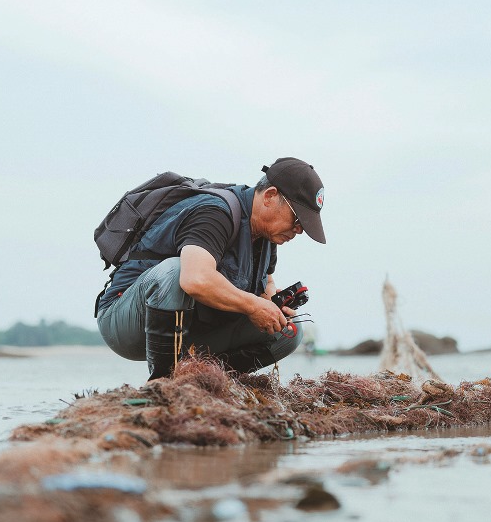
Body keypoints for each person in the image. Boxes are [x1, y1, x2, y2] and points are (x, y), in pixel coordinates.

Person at [96, 157, 327, 380]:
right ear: (270, 196)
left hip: (190, 327)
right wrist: (253, 305)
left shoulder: (267, 235)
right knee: (176, 271)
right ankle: (163, 382)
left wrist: (273, 305)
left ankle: (204, 380)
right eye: (297, 219)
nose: (299, 230)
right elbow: (194, 280)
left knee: (289, 331)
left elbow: (266, 283)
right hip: (126, 319)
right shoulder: (216, 213)